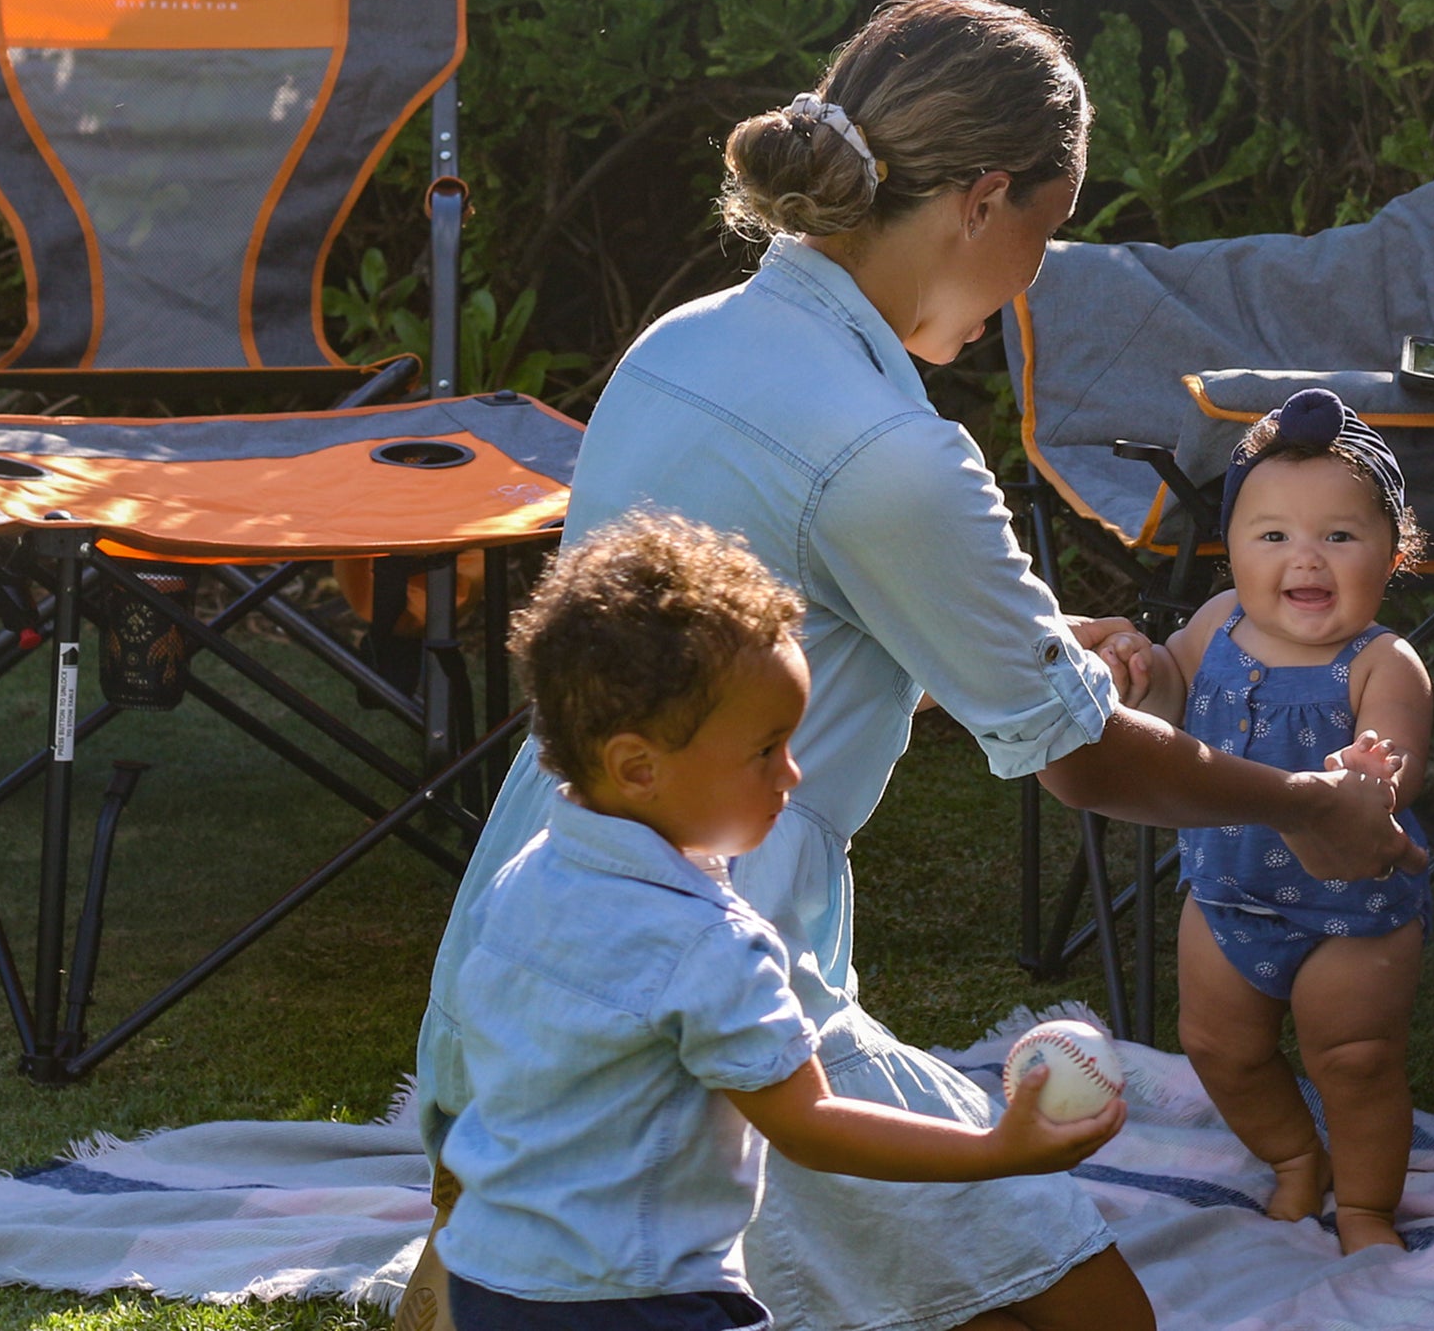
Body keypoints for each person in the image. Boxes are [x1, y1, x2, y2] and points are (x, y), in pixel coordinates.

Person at [406, 0, 1423, 1331]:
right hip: (721, 945)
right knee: (1089, 1316)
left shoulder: (683, 345)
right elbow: (1074, 760)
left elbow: (733, 624)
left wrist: (1019, 645)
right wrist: (1309, 810)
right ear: (981, 200)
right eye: (1044, 234)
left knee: (531, 1251)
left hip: (534, 916)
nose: (1034, 276)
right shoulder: (893, 454)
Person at [438, 514, 1126, 1331]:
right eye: (766, 749)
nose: (793, 773)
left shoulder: (526, 879)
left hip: (490, 1278)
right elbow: (808, 1124)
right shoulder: (710, 943)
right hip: (635, 1297)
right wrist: (992, 1153)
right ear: (637, 767)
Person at [1105, 388, 1433, 1254]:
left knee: (1356, 1058)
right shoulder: (1215, 625)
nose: (1307, 559)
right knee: (1218, 1045)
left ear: (1393, 552)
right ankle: (1294, 1158)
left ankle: (1363, 1206)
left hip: (1352, 909)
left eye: (1339, 535)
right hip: (1225, 889)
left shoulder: (1383, 663)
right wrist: (1142, 675)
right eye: (1274, 535)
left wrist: (1371, 777)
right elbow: (1172, 699)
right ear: (1233, 550)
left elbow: (1394, 764)